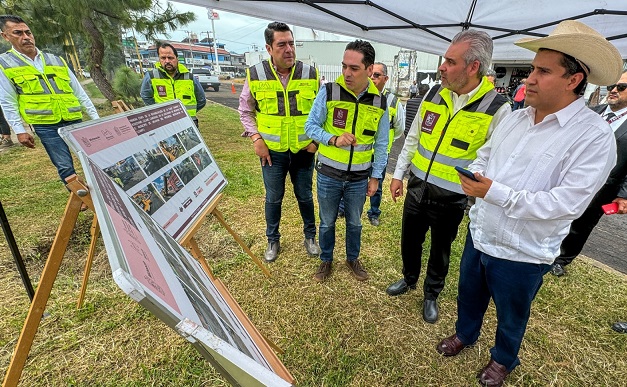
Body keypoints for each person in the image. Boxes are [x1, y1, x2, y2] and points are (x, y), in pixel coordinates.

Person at [436, 20, 621, 387]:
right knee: (468, 294)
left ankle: (503, 359)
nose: (529, 79)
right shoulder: (516, 118)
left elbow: (566, 204)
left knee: (512, 313)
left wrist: (492, 192)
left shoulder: (594, 137)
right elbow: (485, 154)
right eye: (532, 69)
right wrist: (474, 172)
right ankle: (466, 333)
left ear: (573, 80)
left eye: (542, 71)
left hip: (524, 251)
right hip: (482, 231)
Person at [386, 29, 510, 324]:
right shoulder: (432, 93)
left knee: (441, 249)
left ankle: (431, 294)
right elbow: (413, 138)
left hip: (452, 197)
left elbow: (493, 160)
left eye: (450, 62)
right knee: (409, 241)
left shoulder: (497, 108)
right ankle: (409, 279)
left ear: (473, 67)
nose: (442, 67)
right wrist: (398, 174)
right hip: (417, 187)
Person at [304, 39, 389, 282]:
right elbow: (310, 126)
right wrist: (332, 139)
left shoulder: (379, 102)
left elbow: (382, 144)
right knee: (327, 222)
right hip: (329, 174)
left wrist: (376, 176)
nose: (346, 73)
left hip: (359, 178)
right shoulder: (329, 91)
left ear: (370, 69)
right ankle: (325, 260)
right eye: (344, 66)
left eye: (354, 68)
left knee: (355, 223)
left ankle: (353, 258)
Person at [238, 22, 321, 262]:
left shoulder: (310, 73)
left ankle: (310, 237)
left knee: (305, 196)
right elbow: (245, 110)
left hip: (304, 150)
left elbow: (324, 111)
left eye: (291, 43)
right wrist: (256, 138)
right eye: (282, 44)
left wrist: (316, 141)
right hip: (272, 152)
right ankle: (272, 240)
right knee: (273, 198)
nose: (289, 50)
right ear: (269, 48)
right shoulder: (255, 75)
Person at [0, 15, 99, 185]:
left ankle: (103, 192)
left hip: (74, 118)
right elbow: (7, 100)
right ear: (5, 36)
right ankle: (82, 200)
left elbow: (79, 91)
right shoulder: (5, 64)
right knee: (64, 165)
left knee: (94, 157)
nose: (26, 37)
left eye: (28, 32)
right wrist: (19, 130)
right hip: (46, 124)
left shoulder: (56, 60)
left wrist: (95, 118)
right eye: (18, 33)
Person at [550, 71, 627, 277]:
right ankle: (547, 249)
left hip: (605, 187)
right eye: (613, 85)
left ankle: (562, 259)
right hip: (570, 175)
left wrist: (623, 195)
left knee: (582, 224)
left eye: (621, 87)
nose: (613, 90)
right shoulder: (594, 112)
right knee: (558, 212)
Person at [366, 62, 405, 226]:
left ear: (386, 78)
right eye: (371, 74)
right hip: (362, 150)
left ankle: (374, 213)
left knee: (377, 182)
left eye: (376, 75)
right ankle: (343, 208)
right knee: (353, 180)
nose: (372, 78)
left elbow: (399, 128)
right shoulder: (361, 95)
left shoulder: (392, 101)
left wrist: (386, 142)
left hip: (381, 152)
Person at [140, 43, 206, 128]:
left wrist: (188, 112)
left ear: (177, 58)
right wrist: (158, 114)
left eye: (170, 58)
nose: (167, 61)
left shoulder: (189, 77)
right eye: (163, 58)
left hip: (188, 122)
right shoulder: (152, 76)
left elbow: (201, 100)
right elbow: (145, 96)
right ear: (159, 59)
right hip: (164, 124)